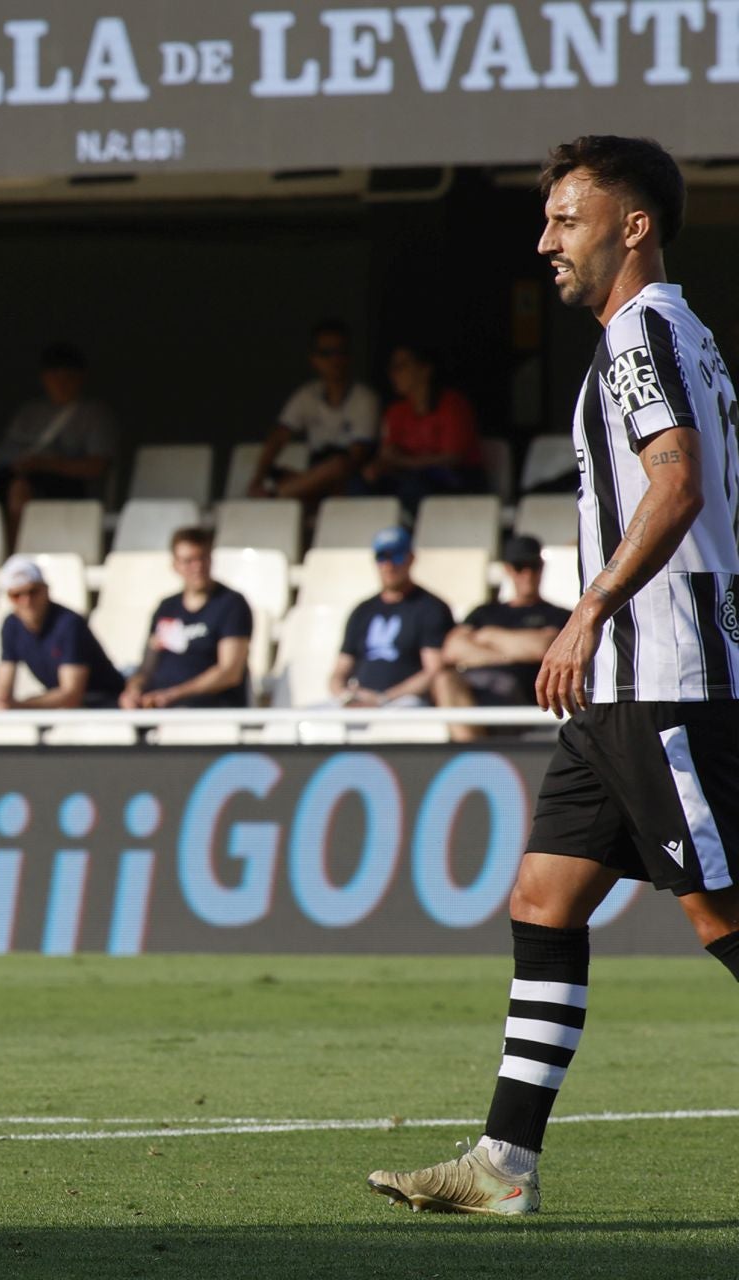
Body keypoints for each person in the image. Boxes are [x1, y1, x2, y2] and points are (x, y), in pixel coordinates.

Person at [368, 136, 739, 1216]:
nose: (545, 241)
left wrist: (586, 608)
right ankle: (504, 1161)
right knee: (545, 894)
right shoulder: (677, 335)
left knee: (720, 918)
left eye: (566, 218)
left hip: (662, 674)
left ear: (635, 226)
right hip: (622, 687)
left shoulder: (642, 336)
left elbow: (676, 484)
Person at [0, 344, 120, 535]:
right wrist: (23, 464)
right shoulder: (29, 413)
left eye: (68, 378)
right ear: (44, 379)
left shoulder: (95, 415)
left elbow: (97, 466)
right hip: (26, 475)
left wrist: (47, 464)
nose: (61, 384)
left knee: (20, 490)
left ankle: (15, 555)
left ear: (81, 379)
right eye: (55, 377)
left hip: (70, 485)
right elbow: (4, 456)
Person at [432, 534, 570, 741]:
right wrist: (513, 652)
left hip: (521, 694)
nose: (527, 574)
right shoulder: (484, 612)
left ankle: (472, 755)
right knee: (445, 680)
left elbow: (544, 647)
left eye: (533, 567)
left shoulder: (557, 614)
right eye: (519, 567)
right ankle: (471, 751)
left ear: (541, 568)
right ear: (508, 570)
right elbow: (452, 649)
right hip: (476, 689)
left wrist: (488, 635)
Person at [246, 320, 381, 503]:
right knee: (278, 472)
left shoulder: (365, 398)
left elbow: (356, 458)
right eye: (327, 353)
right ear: (314, 359)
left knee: (337, 465)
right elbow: (279, 436)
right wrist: (258, 479)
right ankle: (289, 494)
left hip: (350, 479)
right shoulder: (307, 395)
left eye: (341, 352)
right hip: (315, 473)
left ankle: (273, 499)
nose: (335, 360)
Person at [119, 528, 252, 710]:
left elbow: (230, 672)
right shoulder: (166, 607)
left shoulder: (231, 604)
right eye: (189, 561)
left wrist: (172, 695)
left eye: (202, 558)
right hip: (159, 707)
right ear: (175, 565)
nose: (197, 567)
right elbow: (147, 667)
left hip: (209, 709)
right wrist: (133, 690)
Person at [328, 526, 453, 707]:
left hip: (404, 701)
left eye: (396, 556)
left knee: (404, 712)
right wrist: (344, 695)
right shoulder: (362, 610)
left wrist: (384, 698)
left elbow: (433, 671)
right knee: (303, 720)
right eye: (381, 557)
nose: (388, 565)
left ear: (411, 558)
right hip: (358, 701)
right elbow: (339, 670)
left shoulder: (431, 608)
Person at [0, 556, 123, 709]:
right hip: (70, 709)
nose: (26, 601)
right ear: (9, 598)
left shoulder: (70, 624)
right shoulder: (11, 625)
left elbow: (71, 695)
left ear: (46, 590)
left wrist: (17, 706)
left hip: (104, 703)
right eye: (17, 595)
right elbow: (1, 689)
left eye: (33, 592)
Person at [361, 344, 486, 510]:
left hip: (456, 481)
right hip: (409, 477)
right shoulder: (396, 411)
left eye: (401, 366)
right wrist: (377, 466)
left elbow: (451, 458)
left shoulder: (453, 405)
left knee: (413, 489)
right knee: (361, 485)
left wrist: (405, 461)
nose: (394, 374)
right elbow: (388, 452)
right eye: (392, 368)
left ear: (425, 369)